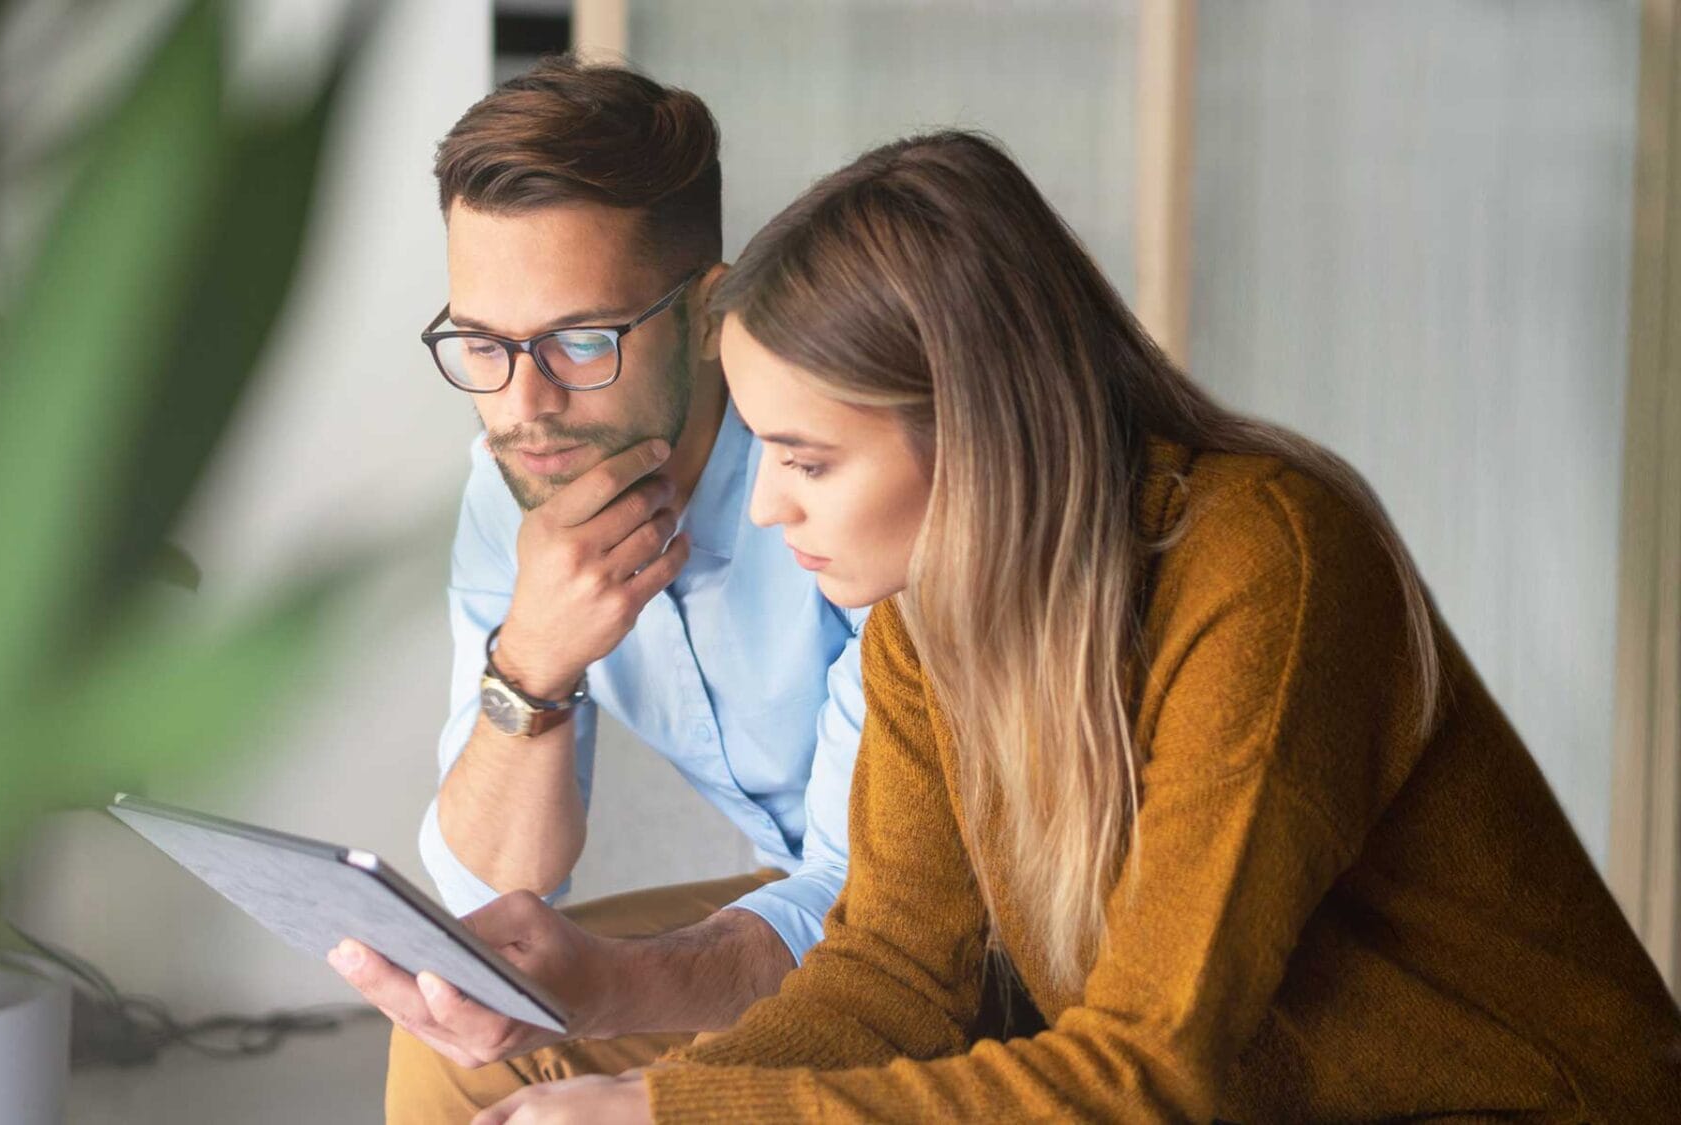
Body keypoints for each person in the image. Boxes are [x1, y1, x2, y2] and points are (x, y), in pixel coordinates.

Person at [477, 131, 1681, 1123]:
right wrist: (660, 1100)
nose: (769, 501)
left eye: (807, 458)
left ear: (978, 434)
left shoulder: (1269, 564)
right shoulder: (921, 618)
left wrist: (671, 1118)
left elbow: (1152, 1067)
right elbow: (890, 977)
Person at [328, 58, 874, 1122]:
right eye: (485, 344)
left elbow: (893, 900)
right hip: (817, 892)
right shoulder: (517, 486)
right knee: (455, 1027)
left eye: (582, 340)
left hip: (980, 915)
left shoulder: (834, 470)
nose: (526, 405)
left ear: (709, 309)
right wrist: (531, 661)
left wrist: (613, 994)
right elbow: (491, 905)